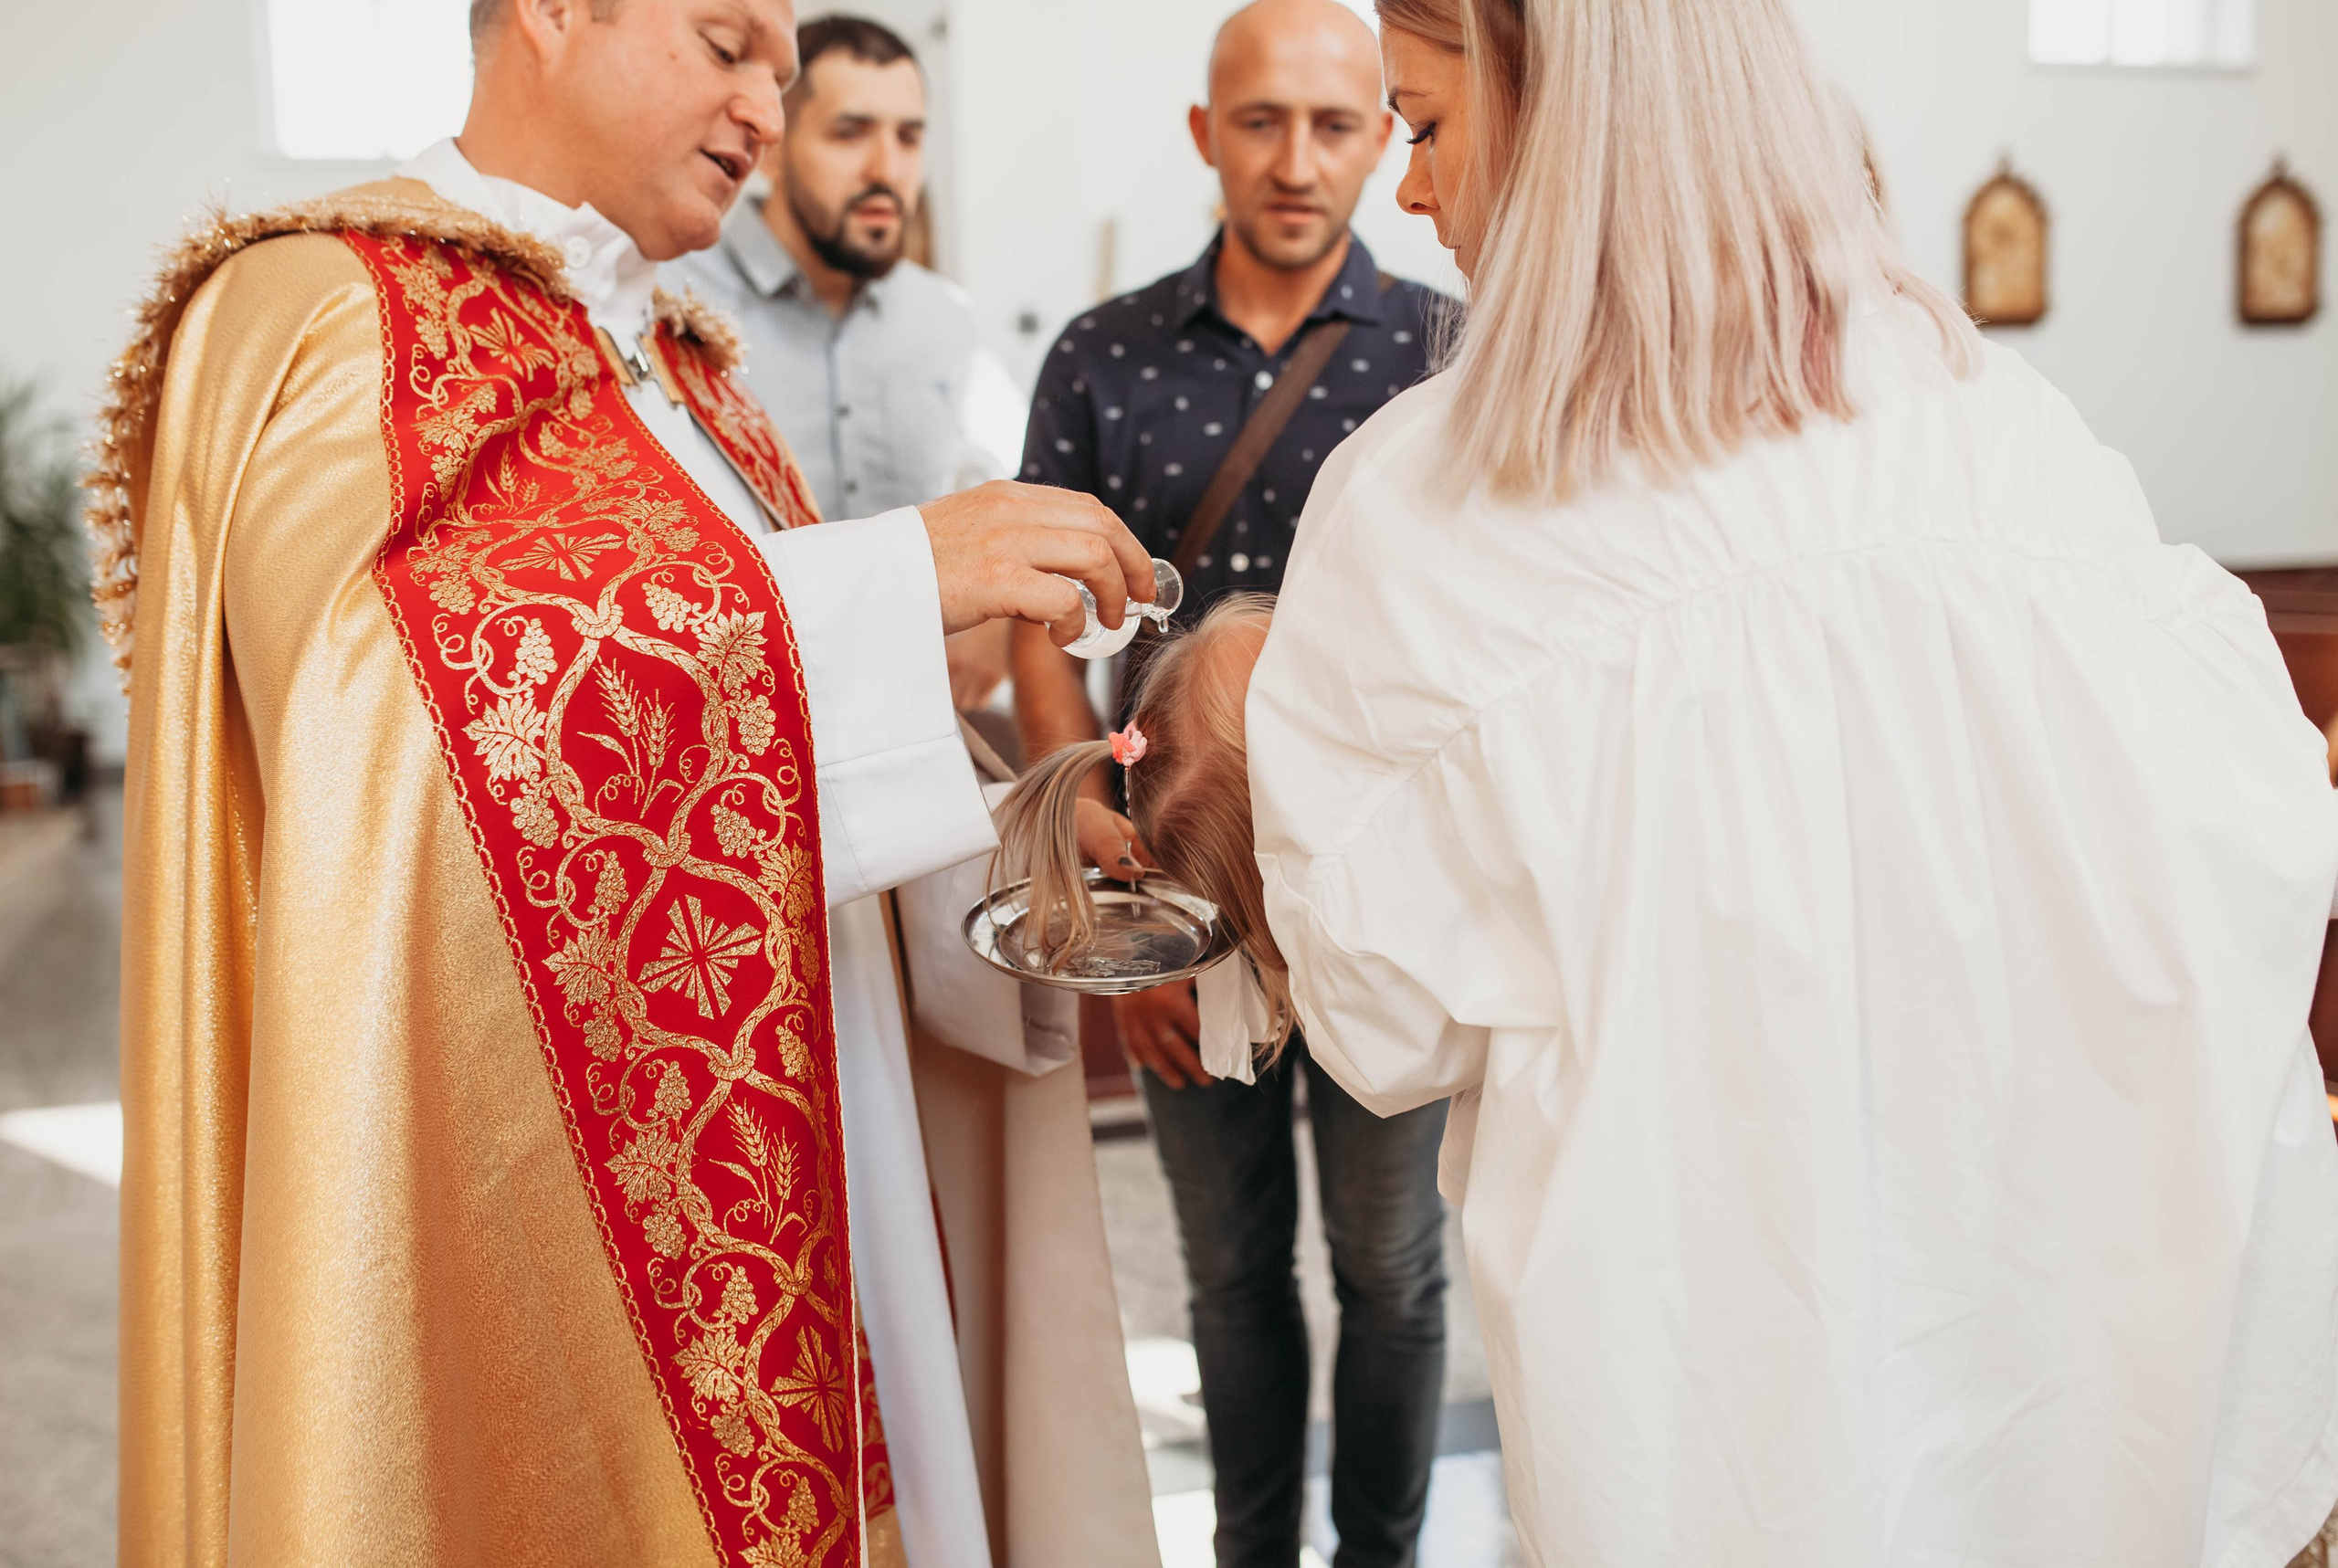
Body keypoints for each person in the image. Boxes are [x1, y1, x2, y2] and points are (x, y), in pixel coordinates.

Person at [1024, 0, 2338, 1563]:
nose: (1408, 189)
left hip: (1738, 1387)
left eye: (1425, 125)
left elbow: (1381, 1017)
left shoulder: (1433, 503)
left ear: (1571, 106)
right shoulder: (1999, 422)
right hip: (2104, 1334)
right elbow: (2256, 823)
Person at [90, 1, 1162, 1564]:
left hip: (820, 1157)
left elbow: (780, 758)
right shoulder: (320, 310)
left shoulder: (688, 365)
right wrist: (889, 577)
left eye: (782, 73)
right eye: (726, 44)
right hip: (524, 1221)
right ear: (550, 14)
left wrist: (1020, 834)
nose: (763, 105)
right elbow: (388, 752)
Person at [1010, 2, 1448, 1563]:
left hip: (1396, 896)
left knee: (1394, 1266)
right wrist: (1116, 896)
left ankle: (1382, 1550)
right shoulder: (1102, 354)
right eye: (1260, 120)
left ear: (1385, 135)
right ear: (1207, 133)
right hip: (1180, 887)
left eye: (1339, 123)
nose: (1297, 158)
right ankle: (1254, 1550)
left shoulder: (1447, 351)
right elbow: (1045, 626)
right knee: (1232, 1269)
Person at [671, 12, 1022, 715]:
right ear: (773, 146)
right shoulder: (672, 305)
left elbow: (1002, 473)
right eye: (849, 132)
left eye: (909, 136)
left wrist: (999, 620)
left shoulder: (943, 319)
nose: (887, 169)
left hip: (905, 722)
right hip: (730, 719)